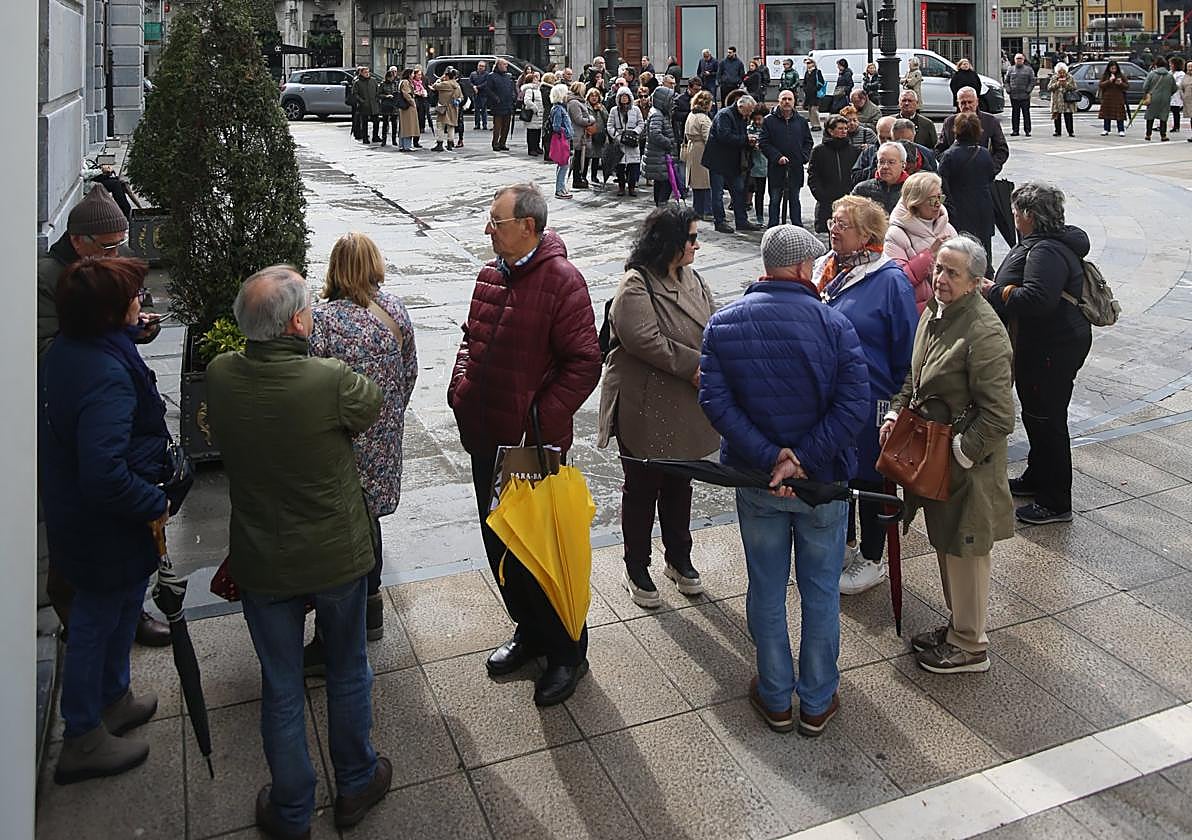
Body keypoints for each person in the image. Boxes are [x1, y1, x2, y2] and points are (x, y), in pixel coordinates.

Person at [206, 266, 391, 837]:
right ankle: (355, 782)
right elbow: (372, 405)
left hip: (263, 558)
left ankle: (290, 810)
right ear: (296, 324)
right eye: (308, 308)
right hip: (335, 555)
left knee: (281, 685)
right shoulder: (327, 380)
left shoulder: (220, 374)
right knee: (347, 668)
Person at [699, 224, 869, 736]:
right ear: (799, 268)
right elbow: (854, 406)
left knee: (767, 588)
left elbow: (716, 404)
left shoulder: (723, 324)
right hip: (823, 484)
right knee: (820, 592)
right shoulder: (835, 324)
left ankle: (775, 696)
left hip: (758, 481)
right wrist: (804, 459)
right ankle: (816, 700)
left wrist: (772, 457)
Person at [449, 183, 602, 706]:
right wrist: (460, 389)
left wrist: (538, 420)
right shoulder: (490, 275)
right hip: (485, 438)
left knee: (541, 551)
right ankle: (529, 631)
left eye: (496, 222)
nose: (487, 230)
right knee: (501, 544)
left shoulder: (562, 281)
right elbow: (470, 338)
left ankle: (567, 652)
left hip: (530, 448)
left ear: (528, 227)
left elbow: (585, 363)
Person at [41, 257, 171, 785]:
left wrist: (131, 333)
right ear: (109, 313)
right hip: (102, 524)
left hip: (81, 516)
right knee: (95, 621)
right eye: (133, 297)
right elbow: (104, 475)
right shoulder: (106, 377)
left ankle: (114, 699)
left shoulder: (73, 349)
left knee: (121, 606)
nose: (142, 301)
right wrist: (152, 501)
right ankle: (82, 737)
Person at [37, 188, 170, 649]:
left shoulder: (96, 271)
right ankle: (82, 625)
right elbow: (46, 353)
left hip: (105, 412)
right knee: (82, 535)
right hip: (72, 422)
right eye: (110, 247)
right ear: (80, 241)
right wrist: (118, 329)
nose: (118, 254)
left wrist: (130, 327)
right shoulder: (46, 278)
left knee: (117, 537)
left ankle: (128, 614)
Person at [885, 235, 1015, 674]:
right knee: (948, 545)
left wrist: (961, 451)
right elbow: (916, 373)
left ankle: (971, 645)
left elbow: (1000, 415)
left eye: (951, 273)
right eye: (938, 268)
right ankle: (959, 627)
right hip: (938, 459)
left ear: (976, 282)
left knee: (966, 553)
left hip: (967, 468)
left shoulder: (985, 332)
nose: (939, 278)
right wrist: (897, 412)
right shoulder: (937, 311)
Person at [598, 206, 718, 607]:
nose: (697, 245)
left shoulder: (693, 278)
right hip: (643, 403)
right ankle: (636, 566)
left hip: (683, 402)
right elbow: (643, 340)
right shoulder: (636, 284)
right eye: (691, 238)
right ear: (670, 242)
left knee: (680, 483)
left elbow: (714, 323)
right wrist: (694, 366)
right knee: (642, 488)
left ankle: (679, 558)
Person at [308, 232, 418, 653]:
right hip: (382, 437)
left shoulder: (322, 321)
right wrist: (389, 416)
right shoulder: (395, 311)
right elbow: (409, 373)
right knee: (369, 518)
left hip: (339, 441)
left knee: (341, 529)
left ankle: (340, 624)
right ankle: (372, 603)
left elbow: (311, 383)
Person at [813, 195, 918, 594]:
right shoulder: (827, 268)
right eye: (833, 221)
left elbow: (907, 351)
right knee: (838, 472)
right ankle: (844, 544)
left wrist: (897, 407)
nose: (833, 229)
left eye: (843, 224)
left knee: (871, 478)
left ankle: (873, 558)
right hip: (831, 398)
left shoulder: (889, 280)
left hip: (873, 399)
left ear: (867, 234)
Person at [988, 183, 1092, 525]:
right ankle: (1037, 477)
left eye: (1016, 211)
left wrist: (996, 291)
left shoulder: (1046, 251)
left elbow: (1037, 300)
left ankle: (1055, 501)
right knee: (1037, 415)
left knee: (1048, 420)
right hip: (1046, 343)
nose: (1013, 216)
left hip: (1052, 346)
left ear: (1029, 216)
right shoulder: (1046, 242)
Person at [884, 171, 957, 313]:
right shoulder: (896, 234)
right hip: (918, 312)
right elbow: (897, 280)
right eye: (932, 200)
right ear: (915, 202)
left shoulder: (947, 227)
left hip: (950, 309)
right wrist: (929, 255)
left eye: (940, 198)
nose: (938, 204)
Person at [938, 112, 995, 266]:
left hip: (959, 209)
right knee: (984, 250)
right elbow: (990, 176)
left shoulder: (949, 155)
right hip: (983, 207)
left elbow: (942, 184)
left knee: (961, 252)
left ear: (956, 130)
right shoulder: (984, 153)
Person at [702, 93, 762, 234]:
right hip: (718, 161)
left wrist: (748, 141)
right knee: (717, 193)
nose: (750, 114)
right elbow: (725, 136)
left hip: (733, 161)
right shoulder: (725, 115)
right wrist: (746, 139)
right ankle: (720, 222)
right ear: (741, 107)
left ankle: (741, 220)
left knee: (739, 190)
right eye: (749, 111)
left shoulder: (741, 116)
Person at [759, 89, 813, 228]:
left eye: (789, 99)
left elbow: (808, 142)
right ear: (779, 101)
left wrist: (803, 157)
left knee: (795, 199)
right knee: (775, 199)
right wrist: (777, 157)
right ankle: (773, 227)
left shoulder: (801, 121)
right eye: (784, 99)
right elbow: (764, 142)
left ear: (794, 102)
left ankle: (797, 227)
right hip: (776, 167)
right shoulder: (769, 121)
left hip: (795, 167)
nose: (786, 102)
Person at [807, 115, 862, 233]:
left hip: (848, 200)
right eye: (840, 128)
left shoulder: (854, 151)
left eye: (845, 128)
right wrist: (821, 195)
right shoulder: (819, 151)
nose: (844, 131)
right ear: (831, 131)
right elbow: (813, 175)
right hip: (826, 202)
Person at [935, 87, 1009, 175]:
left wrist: (991, 169)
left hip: (983, 174)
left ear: (977, 102)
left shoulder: (990, 121)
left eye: (970, 102)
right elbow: (939, 149)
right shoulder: (949, 122)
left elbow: (1002, 150)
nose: (967, 106)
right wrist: (949, 164)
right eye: (963, 103)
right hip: (956, 176)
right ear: (958, 103)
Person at [643, 86, 678, 206]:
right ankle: (661, 206)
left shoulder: (659, 112)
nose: (672, 102)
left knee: (660, 182)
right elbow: (655, 133)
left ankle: (660, 206)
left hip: (659, 156)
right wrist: (668, 142)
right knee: (666, 183)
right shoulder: (657, 114)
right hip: (660, 156)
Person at [852, 141, 908, 214]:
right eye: (881, 162)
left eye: (891, 162)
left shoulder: (912, 190)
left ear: (903, 165)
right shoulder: (862, 189)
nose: (885, 167)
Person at [608, 86, 644, 197]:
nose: (624, 98)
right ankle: (621, 187)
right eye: (622, 96)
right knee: (620, 167)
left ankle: (632, 187)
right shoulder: (614, 110)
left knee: (633, 167)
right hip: (619, 143)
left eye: (626, 96)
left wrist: (634, 133)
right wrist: (617, 136)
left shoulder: (636, 110)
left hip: (632, 142)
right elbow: (610, 126)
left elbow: (641, 123)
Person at [683, 90, 714, 217]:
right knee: (705, 182)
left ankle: (697, 209)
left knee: (696, 183)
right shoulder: (703, 118)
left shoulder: (691, 115)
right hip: (701, 150)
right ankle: (707, 210)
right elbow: (708, 138)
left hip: (692, 149)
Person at [566, 81, 596, 190]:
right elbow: (578, 119)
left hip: (583, 134)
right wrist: (591, 119)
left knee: (582, 157)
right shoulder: (574, 102)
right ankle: (577, 179)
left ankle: (581, 177)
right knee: (578, 158)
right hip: (578, 134)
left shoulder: (580, 101)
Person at [850, 116, 896, 186]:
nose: (886, 142)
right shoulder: (869, 151)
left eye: (890, 138)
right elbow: (854, 177)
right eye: (882, 138)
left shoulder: (904, 151)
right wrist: (874, 169)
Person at [548, 84, 575, 199]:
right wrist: (565, 131)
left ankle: (562, 187)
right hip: (561, 138)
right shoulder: (558, 109)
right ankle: (559, 189)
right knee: (563, 164)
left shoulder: (559, 107)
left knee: (563, 164)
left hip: (562, 138)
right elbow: (556, 126)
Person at [1143, 56, 1178, 141]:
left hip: (1153, 98)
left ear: (1156, 64)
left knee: (1150, 116)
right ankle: (1163, 135)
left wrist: (1148, 93)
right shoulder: (1169, 75)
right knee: (1163, 116)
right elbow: (1175, 88)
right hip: (1165, 99)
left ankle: (1148, 134)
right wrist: (1168, 93)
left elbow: (1145, 87)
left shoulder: (1151, 74)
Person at [745, 106, 769, 225]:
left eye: (760, 119)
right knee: (754, 190)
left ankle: (762, 216)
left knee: (763, 192)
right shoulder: (749, 129)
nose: (758, 122)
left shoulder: (768, 128)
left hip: (766, 165)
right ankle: (755, 214)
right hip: (753, 165)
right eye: (755, 119)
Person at [488, 59, 518, 151]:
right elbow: (488, 90)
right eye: (504, 64)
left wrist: (514, 97)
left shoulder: (508, 76)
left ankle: (502, 143)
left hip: (508, 104)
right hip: (498, 105)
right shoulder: (491, 76)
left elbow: (512, 88)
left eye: (506, 64)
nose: (506, 66)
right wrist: (496, 98)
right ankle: (495, 143)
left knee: (506, 126)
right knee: (497, 126)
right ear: (499, 65)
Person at [1005, 53, 1036, 137]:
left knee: (1026, 114)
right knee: (1015, 114)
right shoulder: (1010, 69)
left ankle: (1027, 130)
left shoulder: (1028, 69)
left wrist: (1028, 90)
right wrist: (1008, 89)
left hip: (1025, 96)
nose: (1019, 60)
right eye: (1017, 58)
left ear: (1023, 60)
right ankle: (1015, 130)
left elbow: (1032, 81)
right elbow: (1006, 81)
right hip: (1014, 96)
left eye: (1020, 58)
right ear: (1014, 60)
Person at [433, 67, 463, 151]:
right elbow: (461, 97)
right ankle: (450, 144)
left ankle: (439, 144)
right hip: (454, 108)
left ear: (447, 76)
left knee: (440, 126)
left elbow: (435, 86)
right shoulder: (457, 85)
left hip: (443, 107)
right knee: (451, 126)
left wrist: (440, 79)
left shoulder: (445, 84)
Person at [1098, 61, 1128, 137]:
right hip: (1107, 97)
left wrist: (1121, 83)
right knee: (1107, 114)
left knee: (1119, 114)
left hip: (1118, 97)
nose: (1113, 70)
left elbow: (1127, 86)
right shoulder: (1105, 75)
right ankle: (1106, 129)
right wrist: (1109, 81)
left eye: (1115, 68)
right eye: (1112, 68)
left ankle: (1121, 130)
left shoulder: (1121, 75)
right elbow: (1100, 85)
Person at [585, 88, 609, 184]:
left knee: (596, 156)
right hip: (588, 134)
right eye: (592, 96)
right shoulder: (585, 106)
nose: (594, 98)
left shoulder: (601, 107)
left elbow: (607, 119)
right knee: (587, 156)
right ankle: (583, 175)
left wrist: (601, 110)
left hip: (599, 135)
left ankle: (594, 176)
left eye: (596, 96)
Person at [352, 67, 380, 145]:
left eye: (368, 72)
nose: (367, 73)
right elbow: (355, 94)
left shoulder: (373, 80)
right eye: (365, 72)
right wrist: (361, 101)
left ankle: (375, 136)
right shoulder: (357, 82)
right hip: (364, 105)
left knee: (376, 121)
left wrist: (377, 99)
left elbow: (377, 91)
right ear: (361, 73)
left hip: (374, 104)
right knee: (364, 123)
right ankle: (365, 138)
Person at [1048, 62, 1077, 138]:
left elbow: (1074, 87)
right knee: (1057, 116)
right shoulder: (1054, 77)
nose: (1061, 73)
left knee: (1068, 116)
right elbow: (1049, 87)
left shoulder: (1070, 77)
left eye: (1063, 71)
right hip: (1057, 100)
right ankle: (1057, 131)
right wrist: (1058, 83)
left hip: (1067, 100)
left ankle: (1070, 131)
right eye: (1060, 72)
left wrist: (1065, 84)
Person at [520, 70, 545, 156]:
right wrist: (535, 109)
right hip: (533, 114)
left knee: (537, 131)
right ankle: (531, 148)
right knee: (532, 132)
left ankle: (537, 147)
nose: (537, 80)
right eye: (535, 79)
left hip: (539, 114)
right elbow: (527, 101)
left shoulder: (537, 89)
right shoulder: (529, 90)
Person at [397, 69, 419, 152]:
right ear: (409, 74)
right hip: (408, 107)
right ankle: (407, 146)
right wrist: (412, 102)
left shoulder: (403, 82)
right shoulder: (406, 82)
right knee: (408, 126)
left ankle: (402, 145)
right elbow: (406, 94)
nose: (413, 75)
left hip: (405, 107)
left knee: (404, 127)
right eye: (412, 73)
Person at [377, 68, 400, 146]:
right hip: (386, 104)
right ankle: (384, 140)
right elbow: (379, 94)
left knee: (394, 123)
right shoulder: (383, 84)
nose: (391, 78)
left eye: (392, 77)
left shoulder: (396, 83)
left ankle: (394, 140)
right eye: (390, 77)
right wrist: (386, 96)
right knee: (385, 123)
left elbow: (398, 92)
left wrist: (396, 96)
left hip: (394, 105)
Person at [411, 67, 432, 147]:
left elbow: (426, 89)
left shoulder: (421, 82)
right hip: (416, 103)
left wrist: (424, 93)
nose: (420, 76)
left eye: (420, 75)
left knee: (421, 119)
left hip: (422, 102)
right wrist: (416, 93)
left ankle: (416, 140)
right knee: (415, 122)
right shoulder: (412, 83)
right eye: (418, 75)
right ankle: (413, 140)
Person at [540, 72, 558, 162]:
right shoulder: (547, 90)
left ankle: (549, 153)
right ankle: (548, 154)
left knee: (548, 133)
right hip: (548, 112)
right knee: (548, 134)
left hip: (548, 112)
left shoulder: (545, 89)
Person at [803, 58, 825, 130]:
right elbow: (805, 82)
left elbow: (821, 82)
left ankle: (817, 125)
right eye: (807, 63)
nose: (807, 65)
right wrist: (805, 88)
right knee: (810, 109)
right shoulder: (807, 72)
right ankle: (813, 125)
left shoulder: (817, 72)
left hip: (815, 94)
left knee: (814, 109)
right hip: (808, 94)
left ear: (813, 63)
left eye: (809, 63)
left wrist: (815, 89)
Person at [470, 61, 491, 130]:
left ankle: (484, 125)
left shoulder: (487, 74)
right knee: (476, 110)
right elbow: (470, 82)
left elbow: (486, 83)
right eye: (480, 66)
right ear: (477, 66)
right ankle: (477, 124)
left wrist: (477, 87)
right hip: (475, 94)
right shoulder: (473, 74)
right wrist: (473, 86)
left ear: (485, 67)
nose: (481, 67)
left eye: (482, 66)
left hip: (484, 94)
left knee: (484, 110)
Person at [1170, 56, 1185, 133]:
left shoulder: (1181, 74)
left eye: (1171, 64)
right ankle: (1161, 125)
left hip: (1176, 95)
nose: (1170, 65)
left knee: (1175, 111)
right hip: (1170, 95)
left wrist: (1170, 84)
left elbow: (1179, 84)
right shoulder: (1170, 72)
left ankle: (1176, 126)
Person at [1182, 61, 1192, 142]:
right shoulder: (1185, 77)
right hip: (1188, 101)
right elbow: (1181, 88)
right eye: (1188, 66)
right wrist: (1183, 97)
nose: (1190, 68)